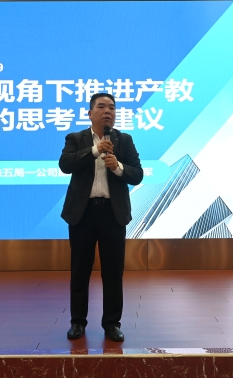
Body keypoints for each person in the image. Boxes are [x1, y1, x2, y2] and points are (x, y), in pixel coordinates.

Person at [59, 92, 143, 342]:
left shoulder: (124, 140)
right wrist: (95, 150)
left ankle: (112, 324)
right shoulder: (76, 139)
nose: (108, 111)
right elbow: (65, 164)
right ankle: (77, 322)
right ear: (90, 113)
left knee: (113, 273)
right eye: (102, 107)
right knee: (80, 271)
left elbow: (137, 174)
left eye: (112, 108)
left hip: (112, 214)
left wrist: (118, 167)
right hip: (83, 214)